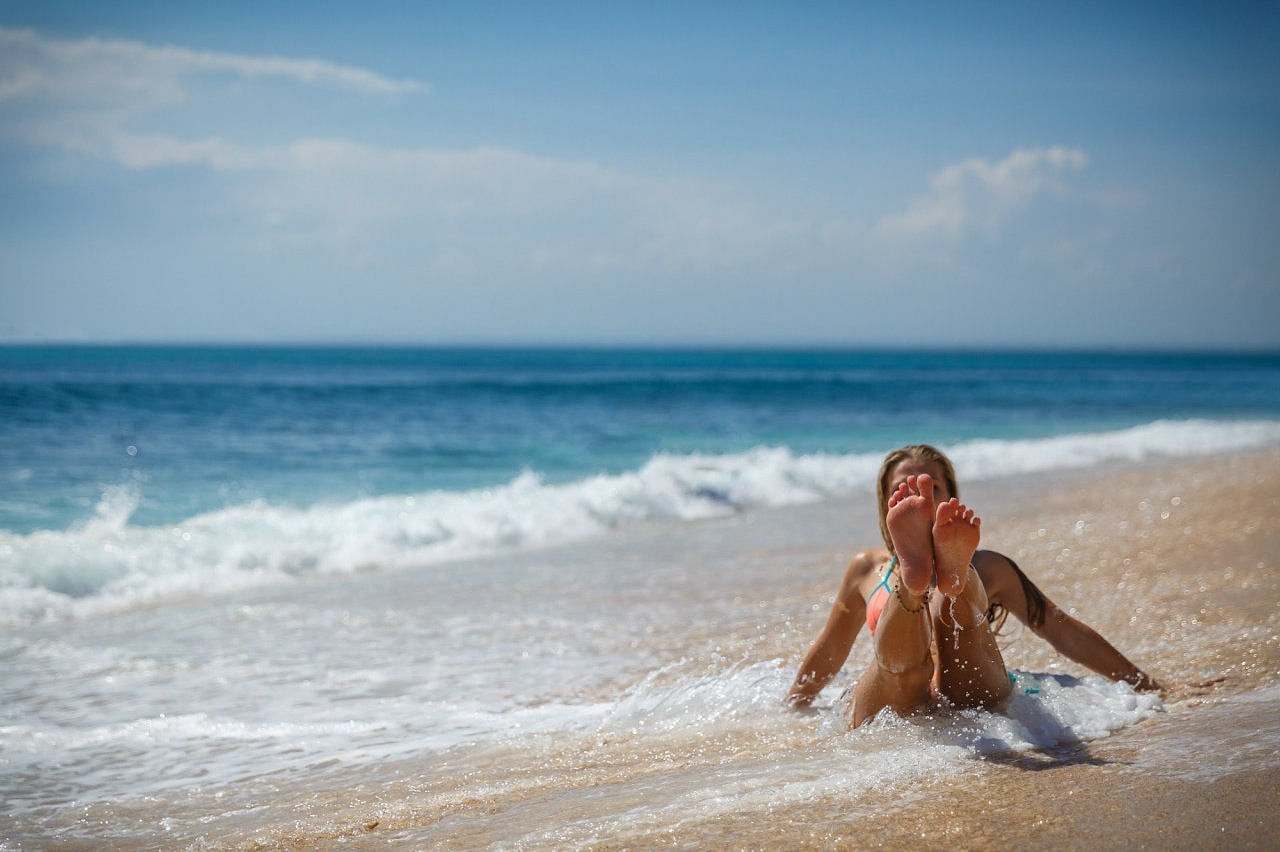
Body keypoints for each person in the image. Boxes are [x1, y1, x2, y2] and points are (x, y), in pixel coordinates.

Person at [786, 444, 1160, 727]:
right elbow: (831, 648)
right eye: (905, 489)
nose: (919, 495)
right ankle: (916, 582)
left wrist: (1144, 684)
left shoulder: (989, 566)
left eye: (931, 488)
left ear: (952, 498)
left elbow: (1058, 627)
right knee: (899, 668)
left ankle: (950, 580)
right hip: (893, 696)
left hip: (971, 689)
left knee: (953, 618)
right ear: (887, 503)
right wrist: (794, 703)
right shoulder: (866, 569)